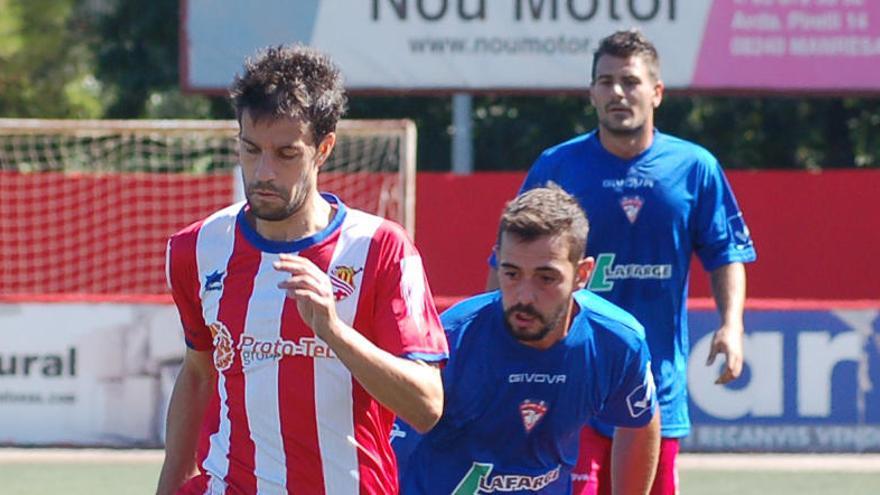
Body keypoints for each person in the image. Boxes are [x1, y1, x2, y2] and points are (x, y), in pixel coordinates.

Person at [156, 45, 448, 495]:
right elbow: (198, 373)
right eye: (250, 150)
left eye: (286, 154)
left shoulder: (381, 248)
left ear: (323, 149)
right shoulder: (196, 249)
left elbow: (427, 405)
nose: (263, 172)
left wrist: (333, 330)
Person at [487, 29, 757, 495]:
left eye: (630, 81)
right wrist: (498, 339)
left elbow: (725, 253)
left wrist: (732, 326)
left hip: (658, 385)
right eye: (606, 81)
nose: (617, 92)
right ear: (591, 92)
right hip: (570, 380)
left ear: (656, 92)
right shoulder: (558, 166)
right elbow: (508, 260)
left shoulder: (695, 167)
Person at [399, 185, 660, 494]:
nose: (524, 296)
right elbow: (394, 442)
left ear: (582, 274)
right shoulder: (451, 339)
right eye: (511, 274)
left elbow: (640, 422)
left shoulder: (617, 341)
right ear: (497, 261)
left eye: (546, 278)